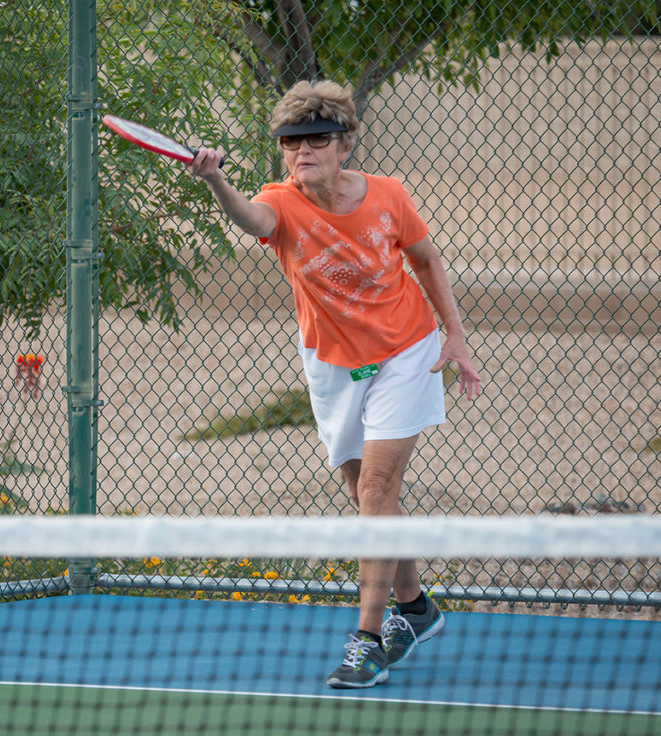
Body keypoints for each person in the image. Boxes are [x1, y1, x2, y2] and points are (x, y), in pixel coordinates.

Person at [186, 79, 482, 688]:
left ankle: (367, 641)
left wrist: (455, 336)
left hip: (406, 352)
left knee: (377, 486)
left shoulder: (388, 196)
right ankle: (417, 609)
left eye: (316, 139)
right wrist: (217, 179)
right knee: (367, 499)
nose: (302, 152)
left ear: (344, 144)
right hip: (331, 365)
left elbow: (426, 261)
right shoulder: (282, 202)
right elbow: (250, 218)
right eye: (292, 143)